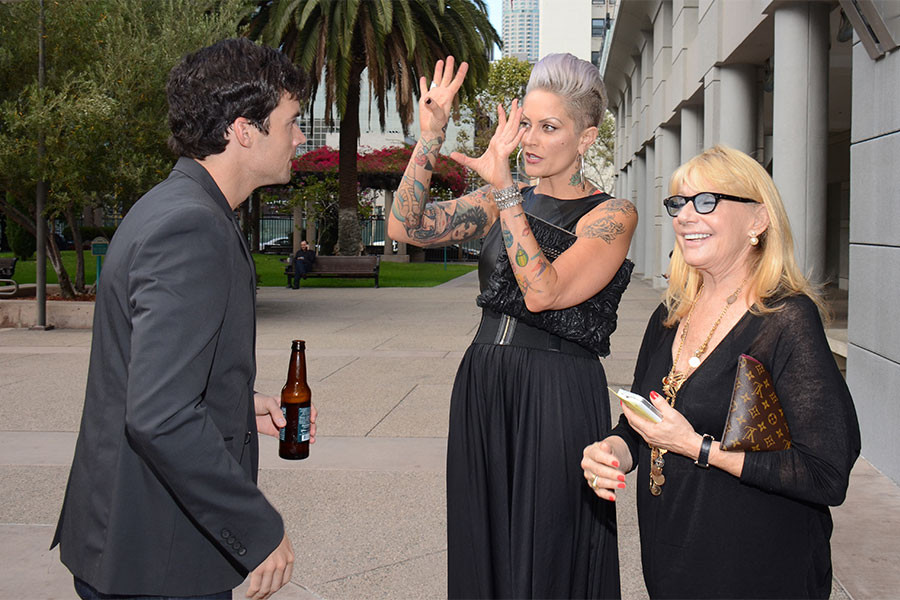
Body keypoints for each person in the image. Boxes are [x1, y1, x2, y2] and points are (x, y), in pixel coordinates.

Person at [52, 38, 317, 600]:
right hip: (155, 557)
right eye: (293, 121)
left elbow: (150, 377)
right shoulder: (191, 229)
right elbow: (161, 415)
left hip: (135, 544)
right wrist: (257, 528)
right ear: (244, 129)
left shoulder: (173, 206)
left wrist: (240, 406)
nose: (300, 137)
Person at [388, 54, 637, 599]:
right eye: (527, 123)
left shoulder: (612, 214)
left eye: (550, 127)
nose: (531, 139)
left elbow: (543, 290)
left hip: (556, 393)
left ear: (587, 137)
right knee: (485, 545)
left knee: (549, 547)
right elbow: (406, 226)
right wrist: (429, 137)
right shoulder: (509, 197)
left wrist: (504, 193)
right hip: (483, 383)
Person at [582, 145, 861, 599]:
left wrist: (696, 447)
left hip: (759, 568)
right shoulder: (671, 314)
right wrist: (612, 451)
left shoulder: (786, 318)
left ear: (758, 220)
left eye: (706, 201)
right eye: (678, 203)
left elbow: (825, 473)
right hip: (674, 557)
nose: (686, 216)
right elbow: (643, 426)